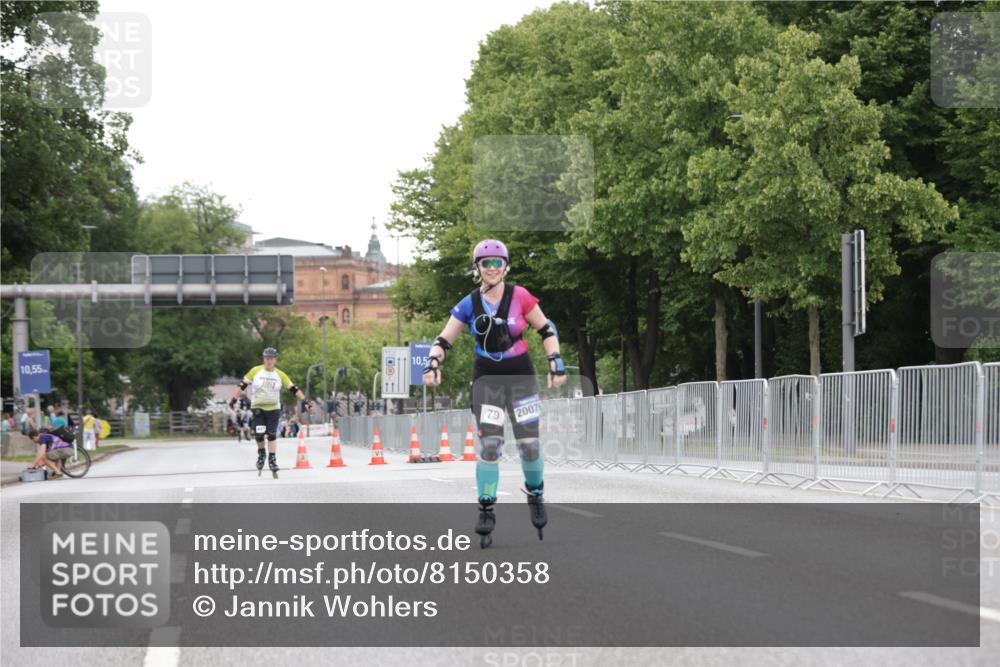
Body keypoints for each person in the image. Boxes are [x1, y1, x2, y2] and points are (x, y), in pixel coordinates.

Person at [423, 239, 567, 547]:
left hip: (520, 376)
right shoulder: (469, 303)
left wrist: (555, 361)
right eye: (485, 263)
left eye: (497, 262)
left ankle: (536, 492)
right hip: (487, 378)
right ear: (477, 268)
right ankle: (486, 507)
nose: (491, 268)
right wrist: (432, 362)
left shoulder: (520, 296)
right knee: (490, 443)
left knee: (529, 444)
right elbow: (443, 340)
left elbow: (547, 330)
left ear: (506, 266)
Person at [233, 347, 309, 478]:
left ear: (275, 360)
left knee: (272, 434)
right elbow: (242, 385)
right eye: (266, 358)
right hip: (258, 408)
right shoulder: (255, 371)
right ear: (264, 359)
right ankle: (262, 453)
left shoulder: (280, 374)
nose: (269, 361)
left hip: (273, 409)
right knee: (259, 433)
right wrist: (234, 399)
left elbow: (293, 389)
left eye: (271, 359)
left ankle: (272, 459)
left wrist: (305, 400)